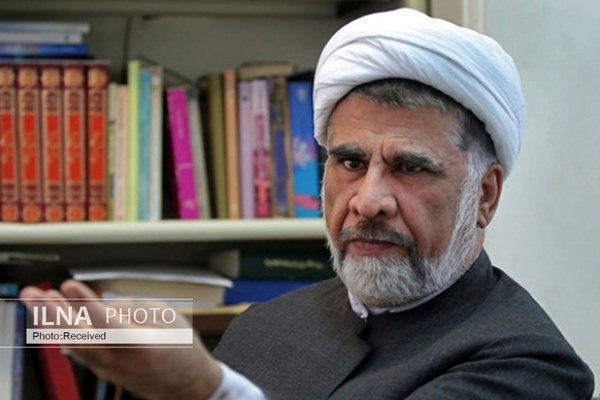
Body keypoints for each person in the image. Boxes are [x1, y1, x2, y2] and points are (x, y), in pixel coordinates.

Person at [20, 8, 595, 400]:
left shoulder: (530, 366)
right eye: (350, 162)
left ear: (484, 195)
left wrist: (205, 391)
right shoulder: (266, 324)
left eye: (411, 167)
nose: (369, 201)